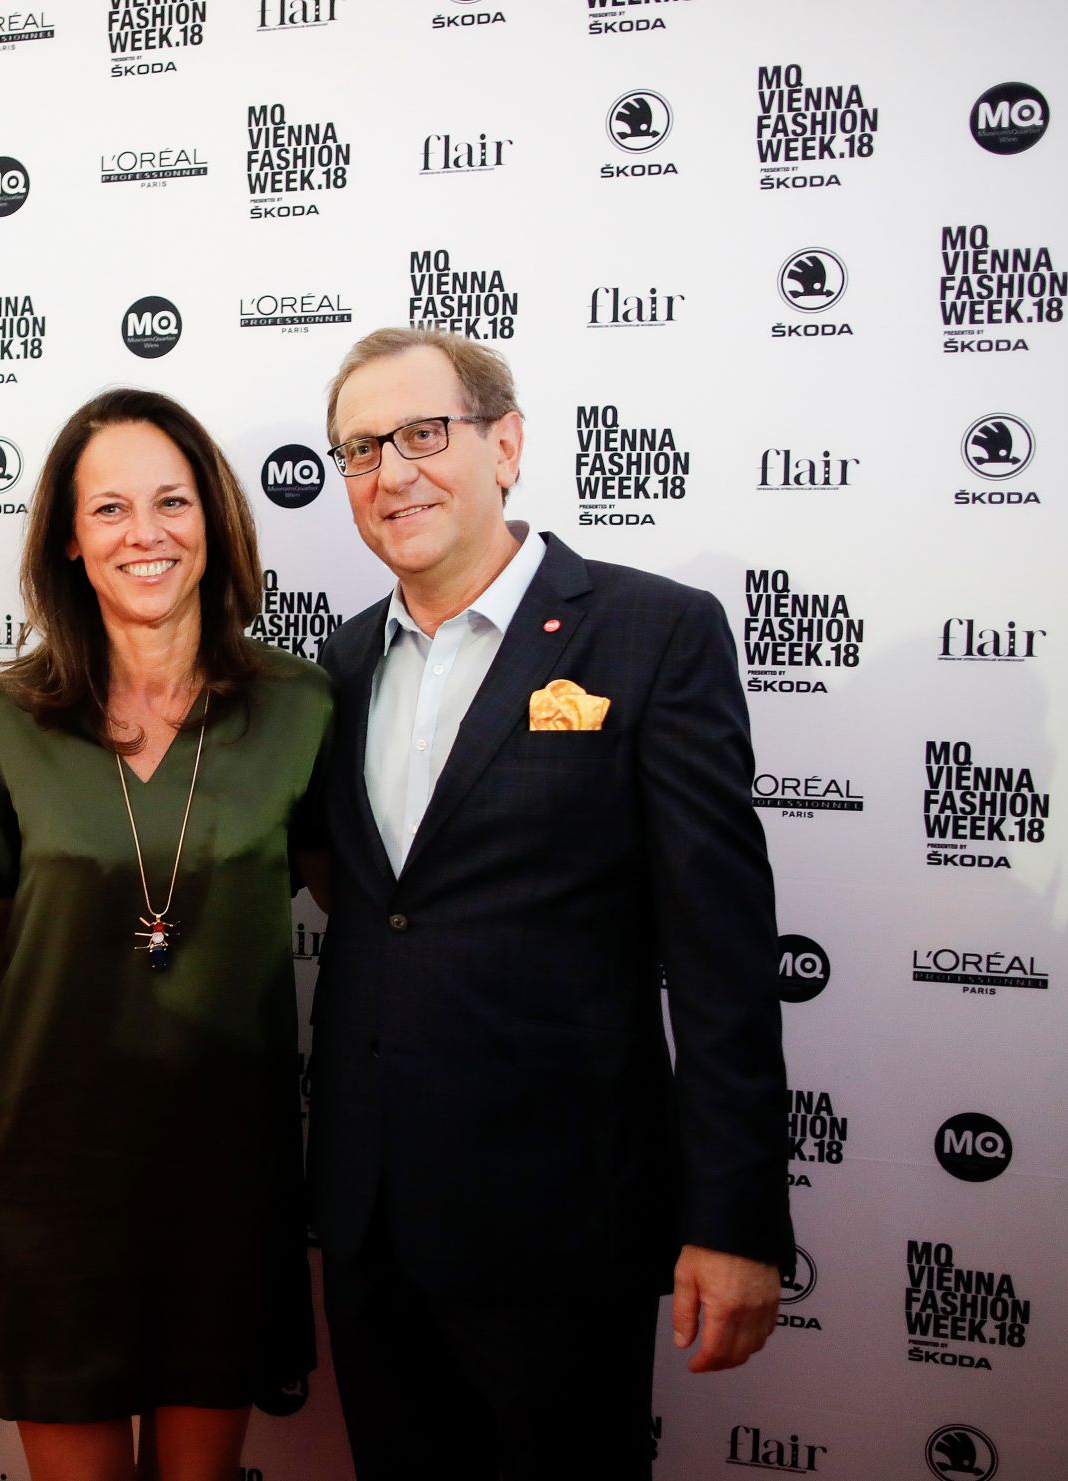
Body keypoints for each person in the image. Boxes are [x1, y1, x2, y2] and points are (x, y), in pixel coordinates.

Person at [309, 327, 792, 1480]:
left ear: (506, 444)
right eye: (360, 449)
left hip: (561, 1226)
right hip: (370, 1218)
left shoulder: (652, 633)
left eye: (424, 433)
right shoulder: (335, 666)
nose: (392, 472)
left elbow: (721, 958)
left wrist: (731, 1218)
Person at [0, 388, 330, 1481]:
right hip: (48, 1167)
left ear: (214, 517)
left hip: (225, 1169)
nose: (142, 532)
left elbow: (383, 917)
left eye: (170, 500)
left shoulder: (301, 705)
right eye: (107, 508)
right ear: (68, 535)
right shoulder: (7, 719)